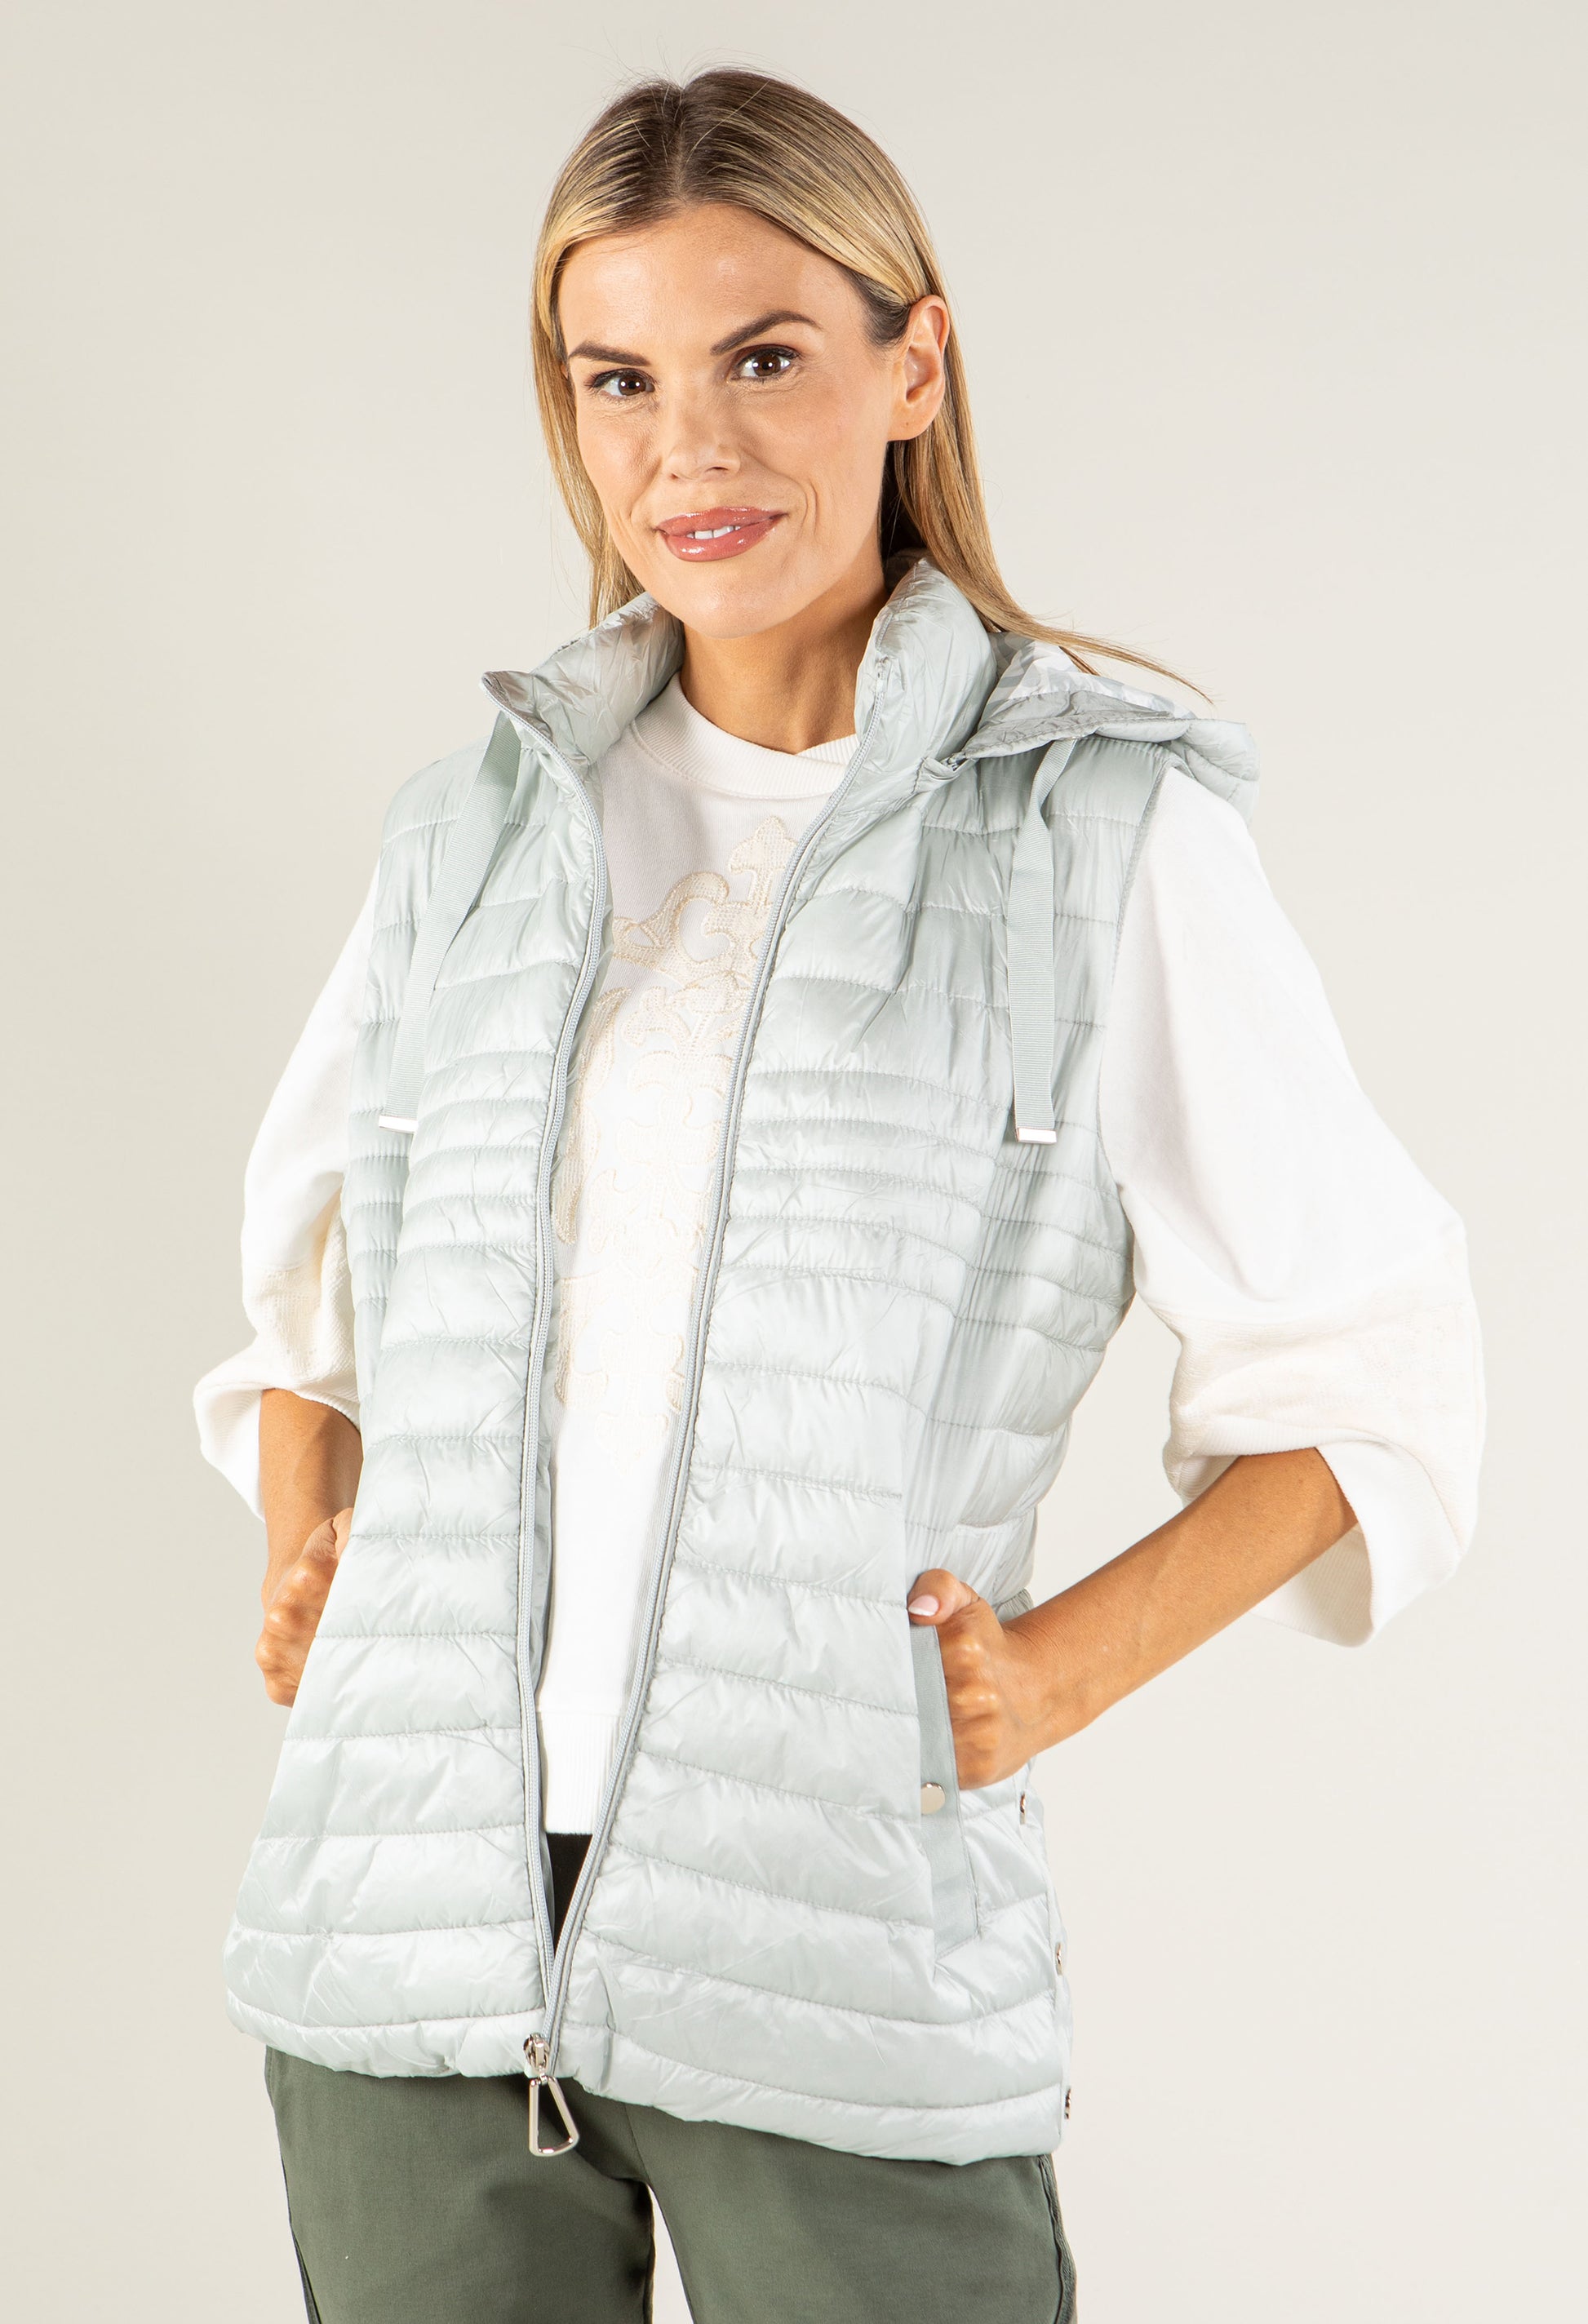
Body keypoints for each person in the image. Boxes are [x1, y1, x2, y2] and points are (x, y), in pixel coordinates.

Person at [196, 67, 1484, 2324]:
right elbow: (308, 1295)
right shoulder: (474, 834)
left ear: (913, 364)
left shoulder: (1095, 829)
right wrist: (316, 1529)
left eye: (764, 357)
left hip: (836, 1958)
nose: (688, 450)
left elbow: (1368, 1361)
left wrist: (1043, 1681)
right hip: (401, 1957)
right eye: (621, 378)